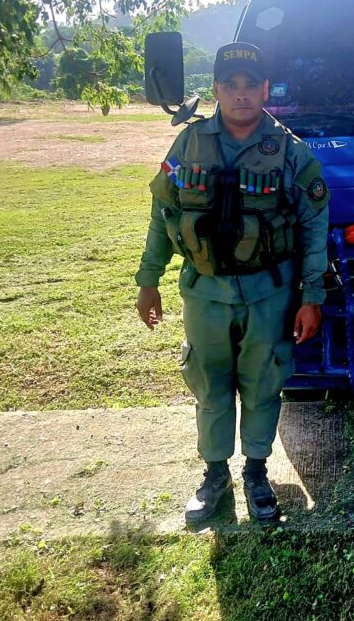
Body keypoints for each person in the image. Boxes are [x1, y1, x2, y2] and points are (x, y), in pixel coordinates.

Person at [134, 42, 329, 524]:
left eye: (250, 85)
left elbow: (314, 226)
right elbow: (164, 212)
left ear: (265, 90)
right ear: (217, 90)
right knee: (210, 385)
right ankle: (215, 474)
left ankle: (257, 473)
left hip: (269, 291)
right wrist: (148, 279)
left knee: (263, 384)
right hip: (205, 291)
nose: (241, 94)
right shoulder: (188, 144)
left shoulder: (290, 151)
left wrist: (312, 296)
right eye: (230, 85)